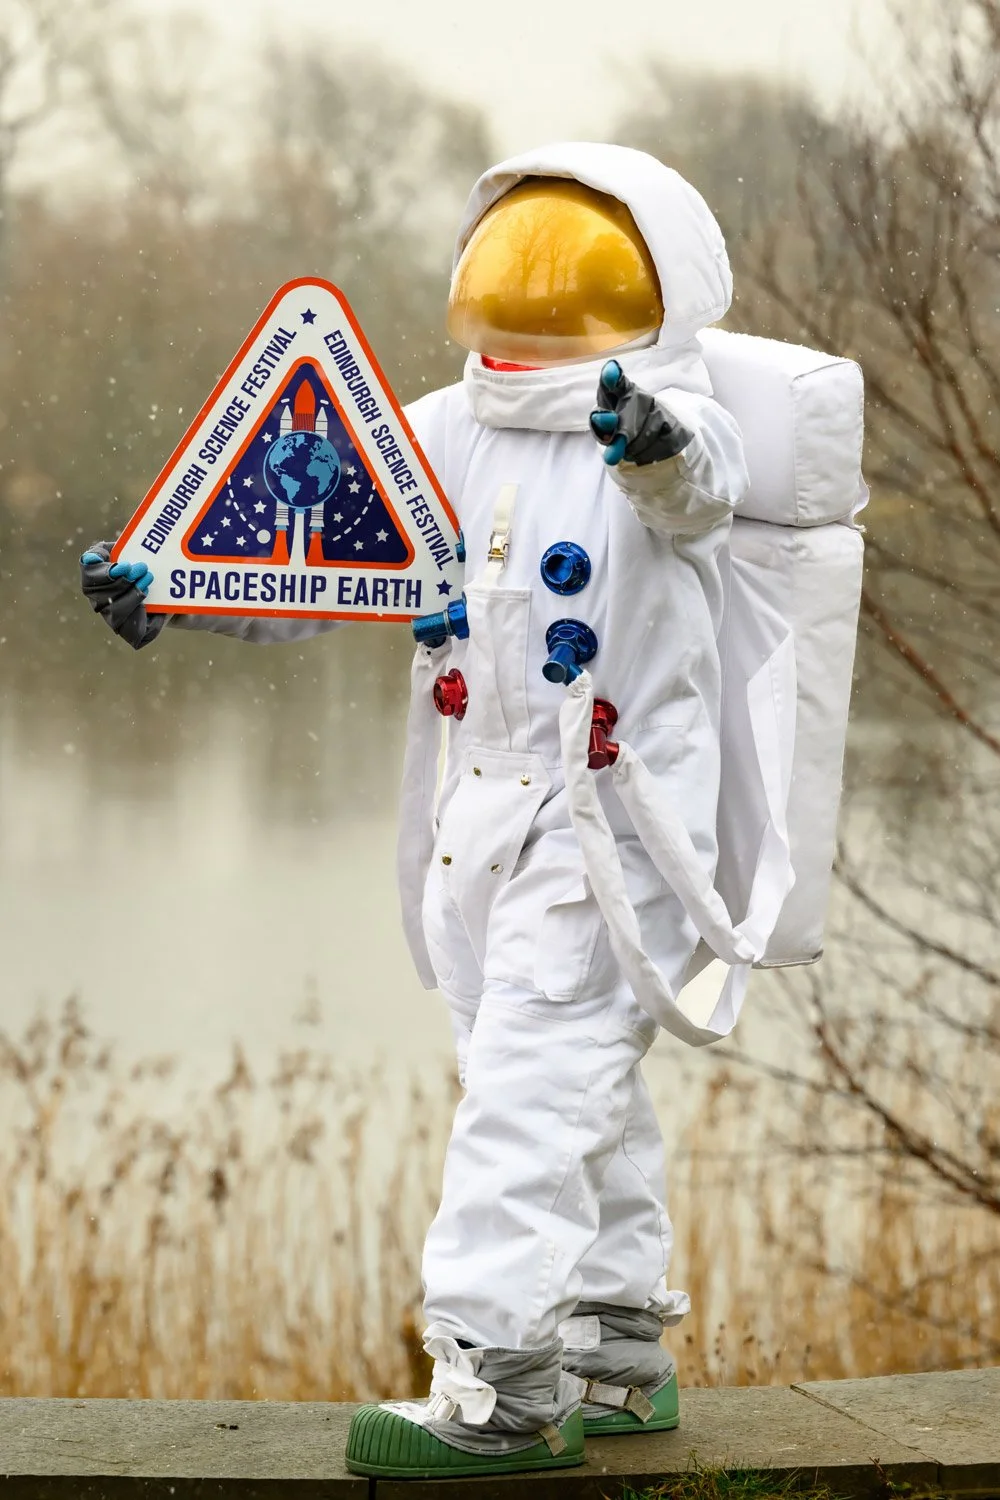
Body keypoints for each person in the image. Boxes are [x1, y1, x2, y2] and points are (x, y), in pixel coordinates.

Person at [80, 143, 751, 1478]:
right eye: (516, 266)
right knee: (558, 1078)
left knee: (532, 1086)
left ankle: (501, 1384)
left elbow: (698, 487)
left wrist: (649, 441)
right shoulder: (439, 429)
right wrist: (181, 591)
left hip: (608, 818)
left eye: (571, 274)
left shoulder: (674, 418)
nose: (536, 295)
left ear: (661, 286)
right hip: (476, 810)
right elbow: (323, 567)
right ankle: (616, 1348)